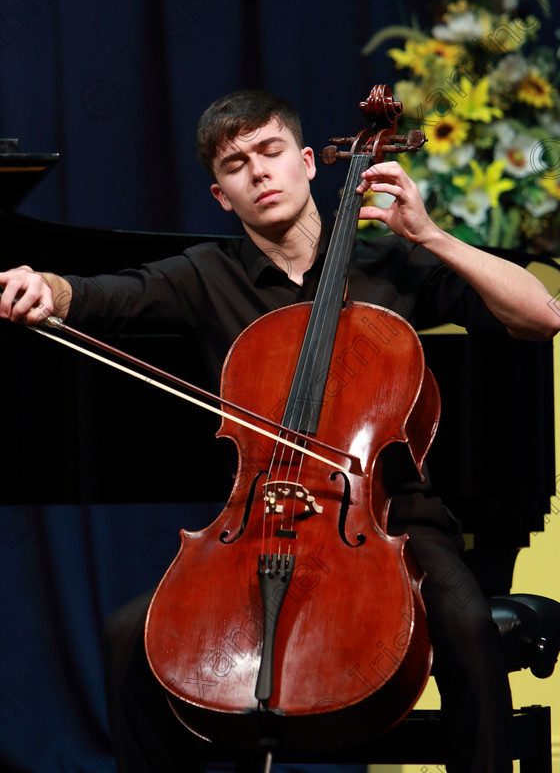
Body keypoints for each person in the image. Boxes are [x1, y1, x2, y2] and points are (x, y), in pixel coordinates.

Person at [0, 90, 558, 773]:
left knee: (467, 627)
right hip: (258, 527)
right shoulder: (206, 274)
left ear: (305, 162)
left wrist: (431, 236)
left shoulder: (393, 266)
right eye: (236, 165)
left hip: (394, 527)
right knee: (128, 635)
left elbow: (542, 317)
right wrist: (45, 286)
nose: (258, 173)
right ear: (220, 195)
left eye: (269, 152)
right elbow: (104, 296)